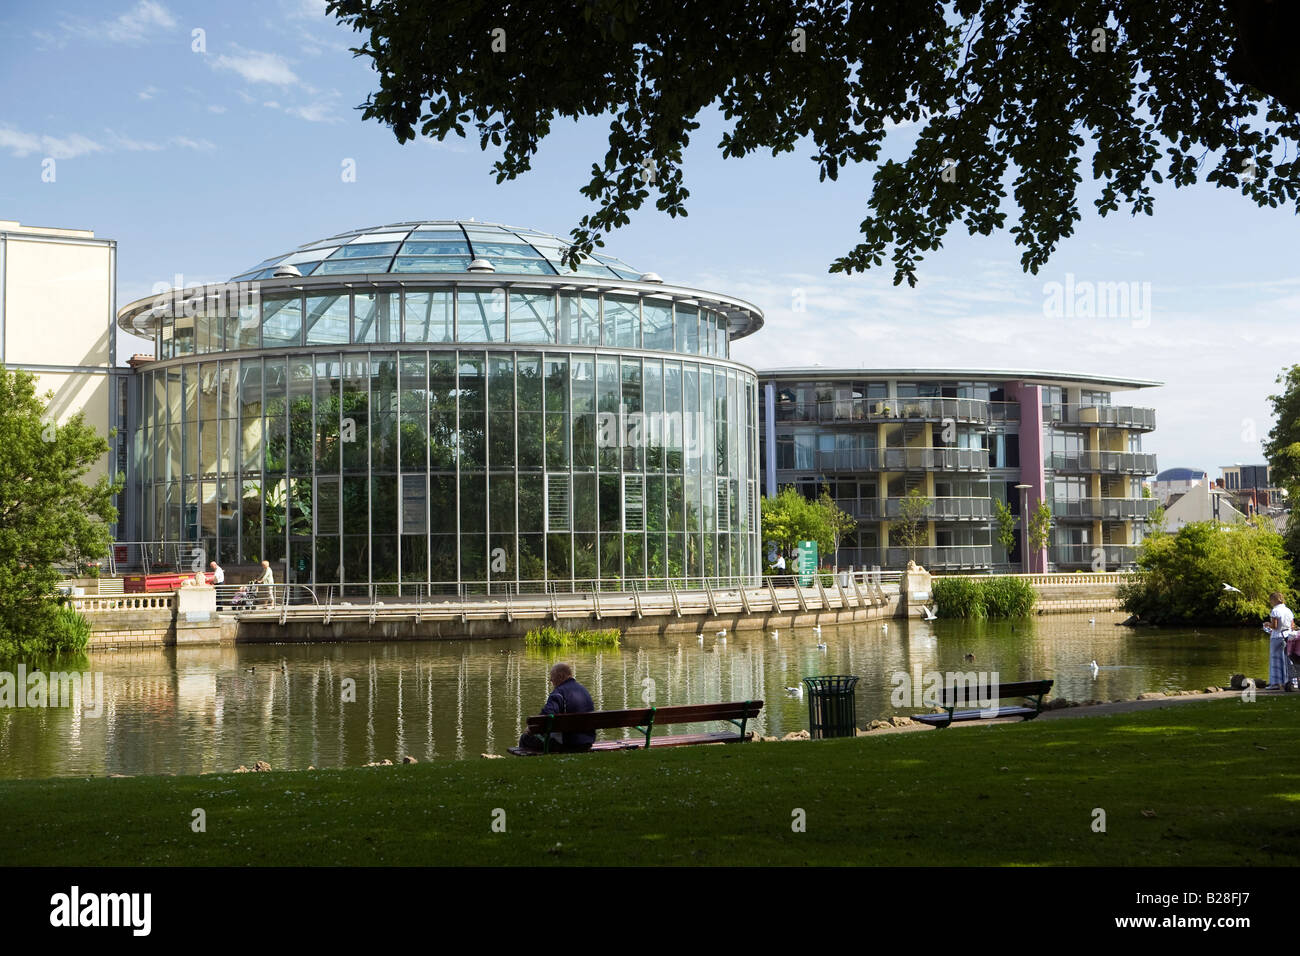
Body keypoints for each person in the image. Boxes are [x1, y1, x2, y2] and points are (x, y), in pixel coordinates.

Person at [517, 662, 595, 754]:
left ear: (561, 676)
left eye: (552, 676)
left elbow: (547, 715)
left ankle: (534, 764)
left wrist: (532, 728)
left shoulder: (558, 693)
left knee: (525, 738)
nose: (550, 680)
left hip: (567, 743)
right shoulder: (584, 691)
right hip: (586, 742)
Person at [1265, 591, 1295, 690]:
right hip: (1289, 636)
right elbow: (1292, 626)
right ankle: (1290, 682)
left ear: (1274, 600)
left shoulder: (1275, 611)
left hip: (1277, 637)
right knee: (1288, 660)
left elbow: (1275, 626)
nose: (1270, 602)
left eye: (1271, 600)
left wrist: (1267, 625)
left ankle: (1276, 684)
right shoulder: (1288, 610)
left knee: (1276, 660)